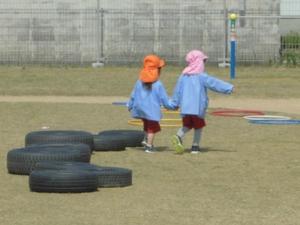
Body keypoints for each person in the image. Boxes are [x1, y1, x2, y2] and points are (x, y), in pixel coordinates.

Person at [171, 50, 234, 154]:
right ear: (198, 62)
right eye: (203, 61)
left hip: (186, 108)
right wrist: (228, 88)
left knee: (187, 125)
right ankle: (195, 146)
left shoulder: (183, 76)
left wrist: (174, 103)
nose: (204, 63)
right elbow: (214, 83)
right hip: (197, 107)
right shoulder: (201, 76)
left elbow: (177, 90)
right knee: (198, 126)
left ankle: (178, 136)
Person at [127, 54, 176, 153]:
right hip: (151, 110)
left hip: (141, 109)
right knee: (152, 128)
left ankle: (145, 140)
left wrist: (130, 104)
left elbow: (133, 94)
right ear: (157, 70)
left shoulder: (139, 82)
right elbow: (164, 99)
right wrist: (172, 106)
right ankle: (149, 147)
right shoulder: (158, 84)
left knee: (146, 125)